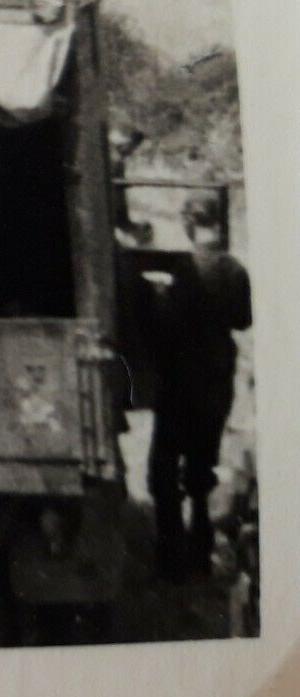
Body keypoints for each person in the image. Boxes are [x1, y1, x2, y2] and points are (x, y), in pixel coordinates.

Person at [146, 191, 253, 580]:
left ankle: (171, 559)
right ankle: (201, 553)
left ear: (191, 223)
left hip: (179, 386)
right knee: (201, 469)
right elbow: (242, 320)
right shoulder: (235, 270)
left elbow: (164, 327)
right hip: (216, 385)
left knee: (162, 470)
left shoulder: (183, 268)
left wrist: (159, 297)